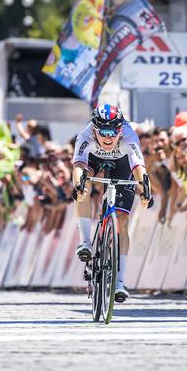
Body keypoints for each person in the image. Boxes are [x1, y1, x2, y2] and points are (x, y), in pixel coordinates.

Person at [71, 104, 153, 303]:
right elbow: (79, 166)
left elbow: (138, 167)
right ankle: (85, 242)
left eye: (113, 133)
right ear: (94, 129)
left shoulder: (129, 135)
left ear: (120, 129)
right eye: (104, 133)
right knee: (84, 188)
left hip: (122, 163)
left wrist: (145, 191)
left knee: (123, 220)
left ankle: (119, 282)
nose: (108, 138)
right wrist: (78, 186)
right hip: (93, 160)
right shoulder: (85, 136)